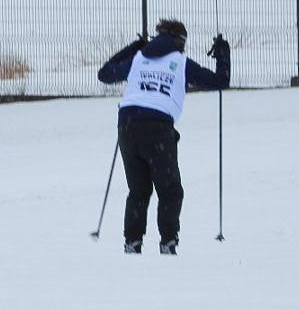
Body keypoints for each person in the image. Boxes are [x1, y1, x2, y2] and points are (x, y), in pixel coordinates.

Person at [98, 19, 230, 255]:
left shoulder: (138, 58)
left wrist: (133, 47)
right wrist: (223, 54)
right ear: (180, 41)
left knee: (138, 191)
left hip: (127, 126)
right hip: (158, 127)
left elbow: (105, 74)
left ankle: (132, 242)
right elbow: (221, 82)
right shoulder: (180, 62)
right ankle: (168, 242)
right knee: (170, 190)